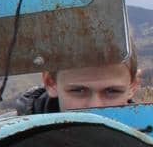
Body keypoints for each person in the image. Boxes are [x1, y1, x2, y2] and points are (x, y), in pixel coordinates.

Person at [11, 41, 140, 114]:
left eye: (112, 91)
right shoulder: (4, 145)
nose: (95, 106)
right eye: (78, 91)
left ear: (132, 87)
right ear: (50, 83)